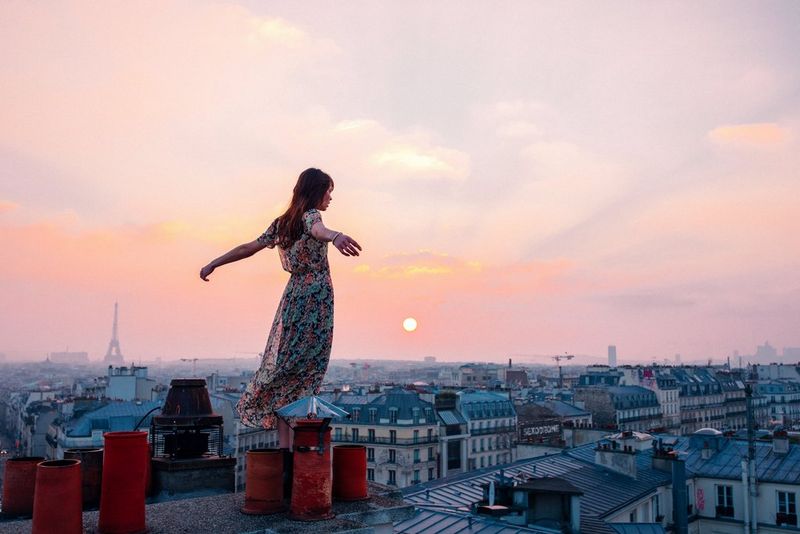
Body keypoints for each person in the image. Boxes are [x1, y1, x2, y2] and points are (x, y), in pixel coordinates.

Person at [199, 168, 361, 445]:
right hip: (315, 298)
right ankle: (299, 450)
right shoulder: (311, 215)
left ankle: (286, 450)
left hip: (293, 299)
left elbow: (248, 248)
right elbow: (317, 229)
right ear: (315, 191)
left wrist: (215, 262)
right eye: (328, 190)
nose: (331, 197)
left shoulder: (282, 223)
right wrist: (336, 236)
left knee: (286, 367)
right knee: (306, 369)